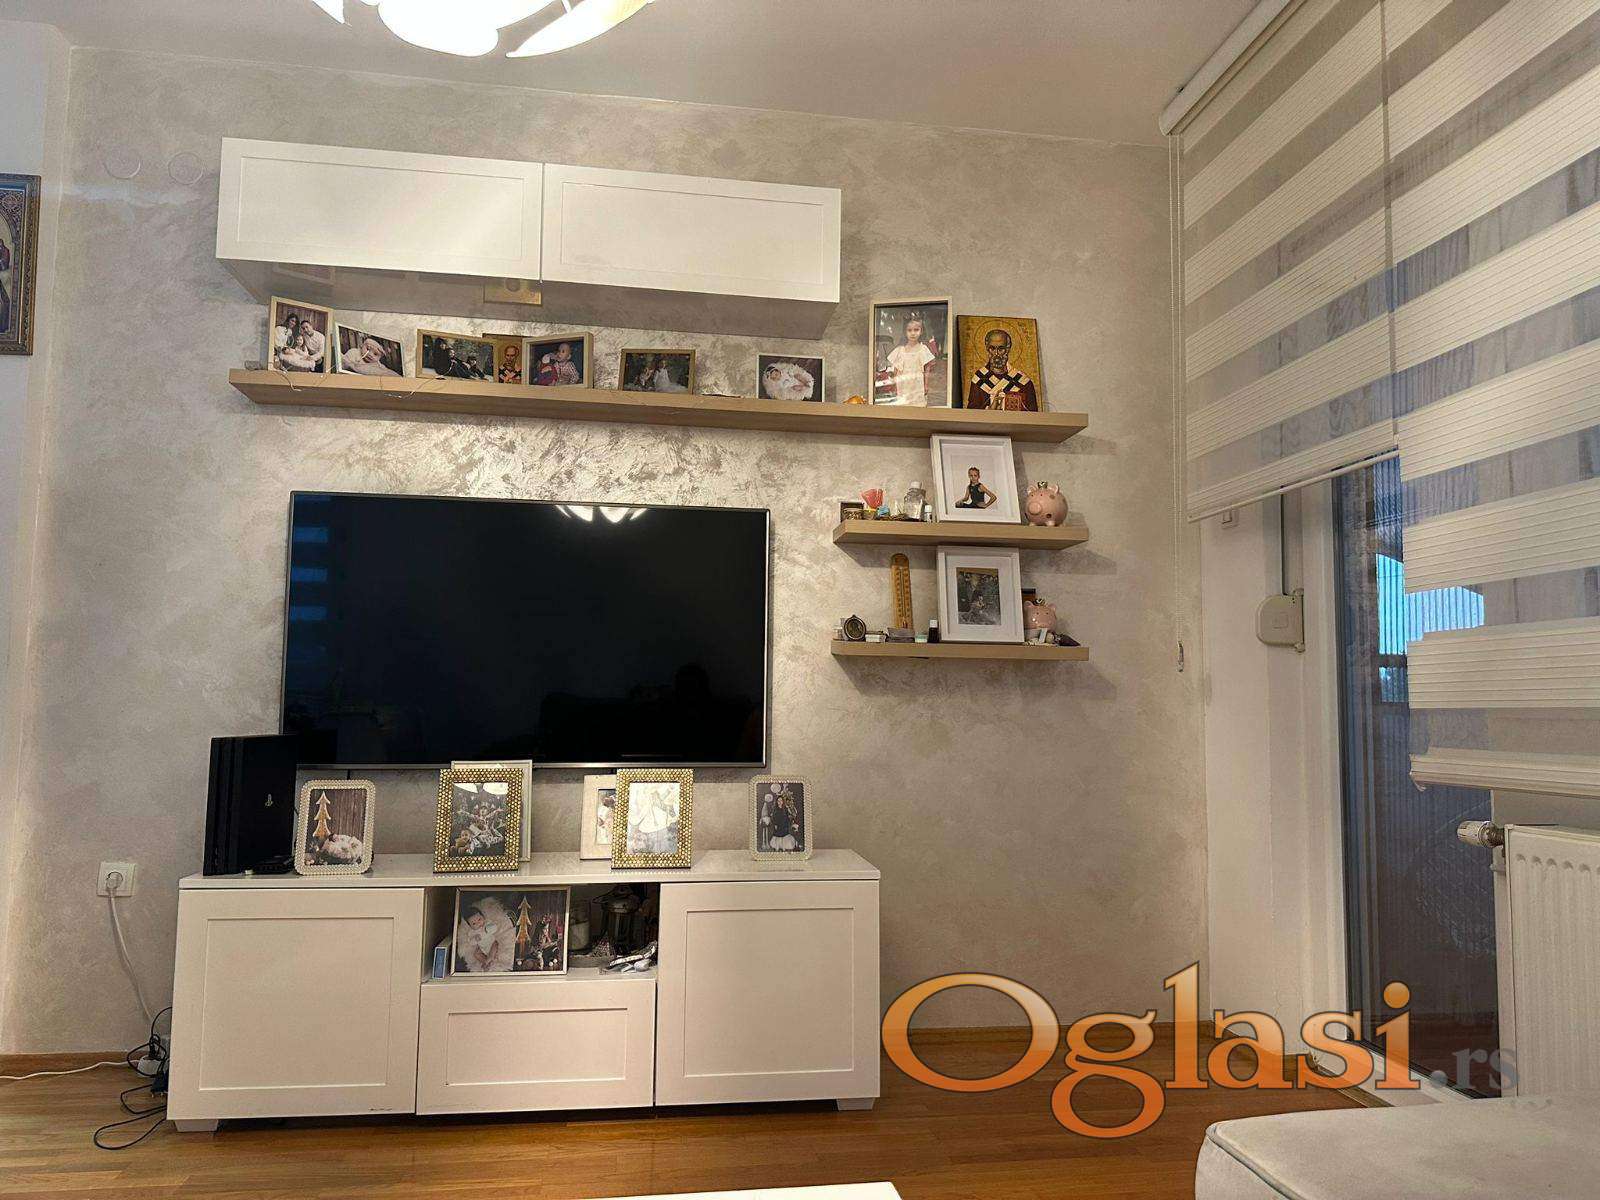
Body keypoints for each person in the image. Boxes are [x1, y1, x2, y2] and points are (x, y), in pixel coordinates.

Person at [965, 328, 1038, 411]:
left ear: (1008, 349)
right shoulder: (979, 379)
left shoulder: (1023, 382)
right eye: (992, 348)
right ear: (987, 349)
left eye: (1001, 349)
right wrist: (989, 411)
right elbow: (972, 414)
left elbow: (1032, 415)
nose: (996, 354)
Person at [884, 315, 937, 406]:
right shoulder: (900, 350)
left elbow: (927, 368)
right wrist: (894, 384)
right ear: (905, 332)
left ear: (921, 331)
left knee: (917, 406)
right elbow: (896, 369)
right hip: (903, 384)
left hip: (917, 384)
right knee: (903, 405)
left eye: (916, 330)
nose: (913, 333)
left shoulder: (923, 349)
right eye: (909, 330)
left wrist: (926, 384)